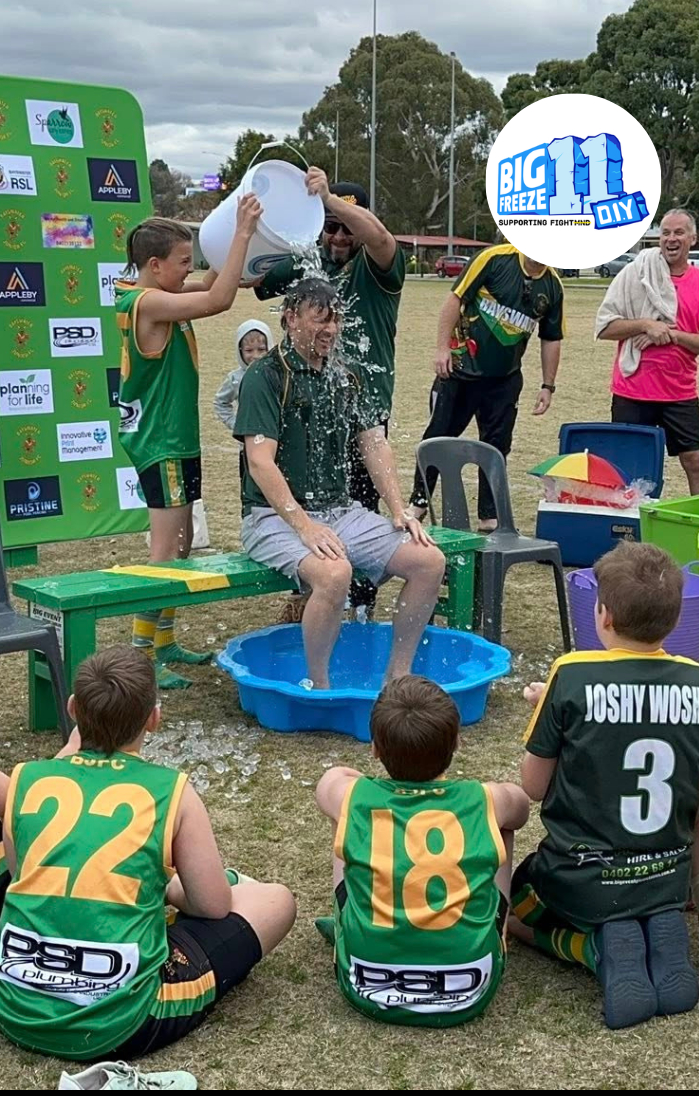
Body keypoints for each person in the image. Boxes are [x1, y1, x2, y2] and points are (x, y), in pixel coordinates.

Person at [0, 646, 296, 1061]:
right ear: (153, 719)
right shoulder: (172, 789)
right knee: (276, 900)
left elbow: (22, 876)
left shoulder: (26, 779)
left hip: (16, 1007)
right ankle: (168, 889)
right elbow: (212, 906)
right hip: (121, 1021)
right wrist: (174, 887)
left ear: (72, 709)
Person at [510, 541, 699, 1030]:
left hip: (583, 880)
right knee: (649, 897)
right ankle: (658, 922)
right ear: (675, 619)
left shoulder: (571, 672)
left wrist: (548, 707)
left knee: (516, 901)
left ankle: (592, 946)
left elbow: (533, 786)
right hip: (667, 877)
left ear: (604, 615)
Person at [234, 277, 444, 690]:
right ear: (291, 318)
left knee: (429, 562)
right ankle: (320, 687)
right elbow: (260, 462)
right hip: (269, 517)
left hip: (339, 512)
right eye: (320, 319)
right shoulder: (265, 376)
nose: (330, 329)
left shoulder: (346, 374)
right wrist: (305, 527)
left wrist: (399, 509)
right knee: (334, 574)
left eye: (336, 320)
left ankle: (397, 677)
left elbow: (374, 443)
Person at [315, 675, 530, 1026]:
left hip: (366, 987)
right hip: (471, 989)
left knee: (346, 818)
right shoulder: (484, 798)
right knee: (500, 826)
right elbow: (520, 809)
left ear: (375, 749)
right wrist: (490, 795)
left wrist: (365, 784)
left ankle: (346, 922)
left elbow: (330, 781)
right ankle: (499, 932)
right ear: (457, 742)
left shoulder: (355, 795)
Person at [115, 199, 262, 689]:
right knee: (164, 552)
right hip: (161, 443)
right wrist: (242, 233)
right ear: (155, 265)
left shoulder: (161, 292)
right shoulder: (147, 303)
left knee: (181, 546)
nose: (190, 270)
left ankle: (164, 641)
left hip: (176, 439)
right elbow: (217, 300)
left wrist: (235, 249)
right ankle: (141, 657)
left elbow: (215, 283)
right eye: (183, 261)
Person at [254, 170, 406, 615]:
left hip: (361, 414)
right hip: (304, 406)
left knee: (361, 506)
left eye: (346, 227)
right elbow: (255, 279)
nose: (339, 236)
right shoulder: (310, 259)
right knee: (304, 500)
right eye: (330, 227)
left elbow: (379, 237)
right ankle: (310, 595)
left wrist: (329, 201)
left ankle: (359, 608)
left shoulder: (377, 265)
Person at [408, 244, 564, 532]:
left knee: (496, 447)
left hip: (504, 379)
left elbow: (551, 337)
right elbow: (455, 298)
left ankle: (489, 515)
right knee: (438, 436)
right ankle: (418, 503)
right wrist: (442, 348)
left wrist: (548, 385)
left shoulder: (553, 286)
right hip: (460, 371)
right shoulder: (494, 259)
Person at [596, 209, 699, 495]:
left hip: (679, 393)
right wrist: (645, 325)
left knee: (695, 462)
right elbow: (604, 328)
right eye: (665, 233)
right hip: (633, 392)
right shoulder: (636, 274)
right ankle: (633, 521)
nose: (670, 238)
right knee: (629, 468)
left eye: (678, 232)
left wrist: (671, 334)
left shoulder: (697, 283)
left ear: (693, 239)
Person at [213, 319, 274, 435]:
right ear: (240, 351)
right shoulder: (235, 379)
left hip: (275, 438)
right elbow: (220, 403)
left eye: (261, 349)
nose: (256, 355)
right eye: (249, 350)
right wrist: (237, 425)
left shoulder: (279, 375)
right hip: (248, 440)